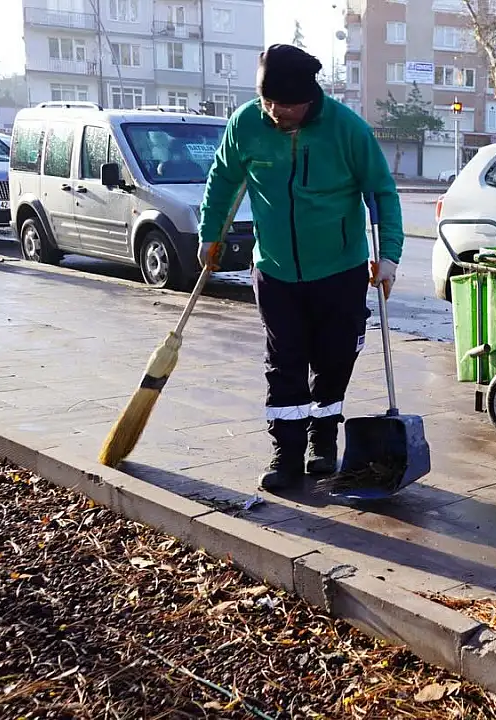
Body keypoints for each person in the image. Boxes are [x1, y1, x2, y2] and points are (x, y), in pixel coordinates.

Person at [197, 44, 404, 491]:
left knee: (334, 358)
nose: (276, 112)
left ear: (311, 97)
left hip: (340, 269)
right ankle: (286, 455)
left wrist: (388, 256)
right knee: (284, 361)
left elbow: (383, 193)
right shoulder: (247, 123)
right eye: (268, 101)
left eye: (286, 104)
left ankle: (323, 442)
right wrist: (208, 233)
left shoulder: (347, 130)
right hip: (275, 270)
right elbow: (223, 177)